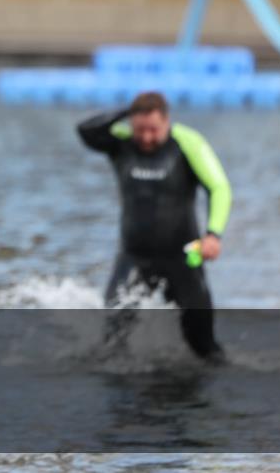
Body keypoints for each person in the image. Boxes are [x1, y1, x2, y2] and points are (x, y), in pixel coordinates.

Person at [76, 91, 231, 363]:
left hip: (185, 257)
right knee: (113, 339)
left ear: (167, 122)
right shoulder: (121, 142)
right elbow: (86, 129)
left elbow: (219, 188)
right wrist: (129, 110)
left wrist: (213, 234)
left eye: (153, 130)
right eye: (140, 129)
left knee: (204, 346)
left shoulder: (187, 142)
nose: (146, 138)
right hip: (134, 257)